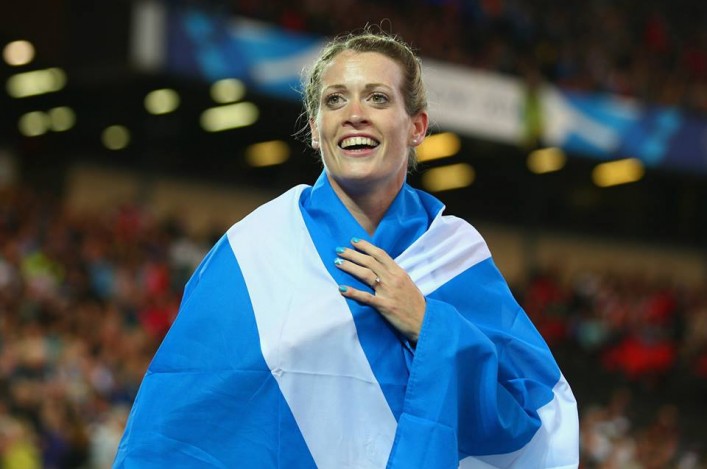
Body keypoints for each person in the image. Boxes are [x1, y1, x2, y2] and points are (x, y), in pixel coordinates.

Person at [113, 29, 579, 468]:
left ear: (417, 126)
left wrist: (430, 326)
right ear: (315, 129)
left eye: (377, 97)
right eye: (335, 100)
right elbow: (179, 415)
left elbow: (530, 414)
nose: (355, 113)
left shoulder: (454, 254)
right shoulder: (254, 249)